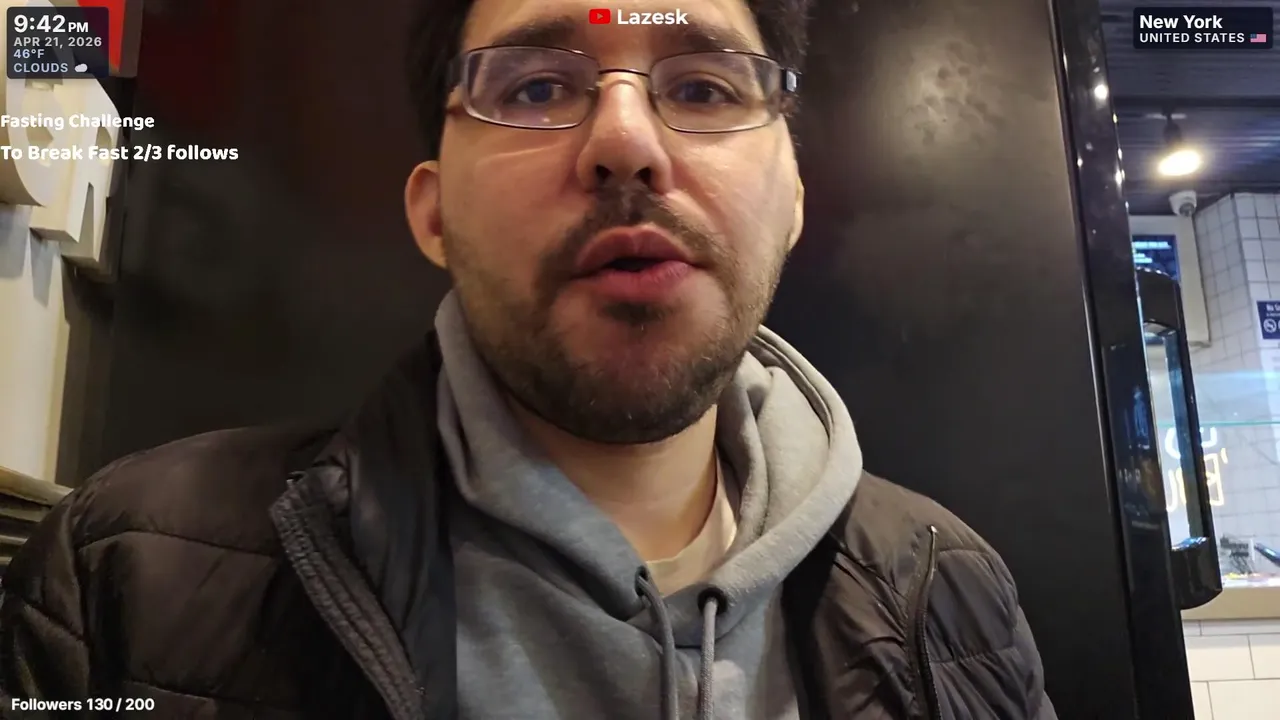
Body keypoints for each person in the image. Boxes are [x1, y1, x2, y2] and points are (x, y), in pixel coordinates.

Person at [0, 0, 1057, 717]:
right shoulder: (121, 579)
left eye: (701, 88)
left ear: (789, 201)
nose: (626, 143)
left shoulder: (949, 594)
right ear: (433, 213)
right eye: (538, 87)